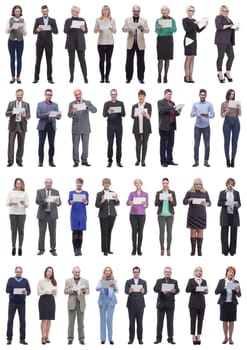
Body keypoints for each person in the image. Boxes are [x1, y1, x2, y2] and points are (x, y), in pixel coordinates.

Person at [68, 89, 97, 167]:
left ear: (81, 94)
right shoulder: (72, 103)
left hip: (85, 127)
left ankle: (84, 160)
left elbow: (95, 110)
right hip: (76, 128)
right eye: (76, 95)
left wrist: (87, 107)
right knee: (75, 146)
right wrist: (73, 111)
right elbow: (69, 115)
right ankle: (76, 161)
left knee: (85, 145)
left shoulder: (87, 102)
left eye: (78, 94)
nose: (77, 96)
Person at [183, 178, 211, 256]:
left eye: (199, 184)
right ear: (194, 185)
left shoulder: (205, 192)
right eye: (196, 184)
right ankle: (192, 250)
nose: (198, 186)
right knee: (192, 232)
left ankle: (199, 251)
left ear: (201, 185)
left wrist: (206, 204)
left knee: (200, 232)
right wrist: (188, 200)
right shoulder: (190, 192)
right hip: (192, 215)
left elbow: (210, 203)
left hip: (201, 215)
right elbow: (184, 202)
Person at [122, 5, 149, 83]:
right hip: (131, 42)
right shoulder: (127, 19)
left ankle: (141, 78)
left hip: (140, 43)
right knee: (129, 61)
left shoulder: (144, 20)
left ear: (139, 12)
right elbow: (123, 29)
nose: (136, 13)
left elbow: (147, 30)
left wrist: (142, 28)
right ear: (132, 11)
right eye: (134, 11)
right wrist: (129, 28)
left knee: (141, 61)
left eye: (137, 11)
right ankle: (128, 78)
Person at [153, 266, 180, 345]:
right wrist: (161, 290)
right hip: (161, 304)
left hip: (170, 304)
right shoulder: (159, 281)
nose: (167, 273)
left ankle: (170, 338)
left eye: (169, 272)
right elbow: (155, 288)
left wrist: (175, 291)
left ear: (171, 273)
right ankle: (158, 339)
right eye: (166, 272)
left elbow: (178, 290)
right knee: (159, 322)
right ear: (164, 273)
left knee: (170, 322)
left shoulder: (174, 281)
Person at [215, 266, 241, 345]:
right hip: (224, 304)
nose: (231, 273)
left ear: (234, 274)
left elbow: (239, 295)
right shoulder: (221, 281)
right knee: (224, 321)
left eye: (232, 272)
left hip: (232, 304)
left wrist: (237, 291)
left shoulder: (236, 282)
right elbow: (216, 292)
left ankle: (230, 338)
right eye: (229, 272)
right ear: (226, 273)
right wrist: (224, 288)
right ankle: (225, 337)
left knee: (232, 321)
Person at [32, 5, 58, 84]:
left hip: (49, 44)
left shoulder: (52, 20)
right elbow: (34, 32)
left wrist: (50, 28)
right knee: (38, 61)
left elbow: (56, 31)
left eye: (46, 11)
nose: (44, 12)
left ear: (48, 11)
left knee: (49, 61)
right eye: (43, 11)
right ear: (41, 12)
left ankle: (50, 78)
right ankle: (36, 78)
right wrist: (37, 30)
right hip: (39, 43)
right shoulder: (38, 20)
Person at [64, 266, 90, 345]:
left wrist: (85, 291)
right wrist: (73, 290)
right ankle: (70, 338)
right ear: (73, 272)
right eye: (75, 272)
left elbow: (88, 291)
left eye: (78, 272)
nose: (77, 273)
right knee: (71, 322)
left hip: (81, 303)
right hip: (72, 303)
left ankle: (81, 338)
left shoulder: (85, 281)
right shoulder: (68, 281)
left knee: (81, 322)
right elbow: (65, 291)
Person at [36, 178, 61, 256]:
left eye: (50, 182)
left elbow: (60, 203)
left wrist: (58, 202)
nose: (48, 184)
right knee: (42, 233)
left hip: (52, 215)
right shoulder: (40, 191)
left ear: (52, 183)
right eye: (47, 182)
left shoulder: (56, 191)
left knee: (53, 233)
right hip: (42, 215)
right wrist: (44, 200)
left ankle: (53, 249)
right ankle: (41, 249)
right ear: (44, 183)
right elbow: (37, 201)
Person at [36, 88, 61, 167]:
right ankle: (40, 161)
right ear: (45, 95)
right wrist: (47, 114)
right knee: (41, 144)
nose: (49, 96)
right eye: (48, 95)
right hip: (42, 127)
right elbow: (38, 115)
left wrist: (58, 116)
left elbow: (58, 117)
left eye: (50, 95)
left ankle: (51, 161)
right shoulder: (40, 104)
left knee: (51, 145)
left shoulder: (55, 105)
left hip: (51, 126)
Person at [5, 88, 31, 167]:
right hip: (13, 126)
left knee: (21, 144)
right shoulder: (11, 103)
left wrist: (25, 115)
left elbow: (29, 116)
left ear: (22, 95)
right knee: (10, 144)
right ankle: (10, 161)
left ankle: (19, 160)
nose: (19, 96)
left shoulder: (26, 104)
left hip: (22, 126)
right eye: (17, 95)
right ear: (16, 95)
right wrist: (13, 112)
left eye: (20, 95)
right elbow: (6, 113)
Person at [6, 266, 31, 345]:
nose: (18, 273)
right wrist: (16, 291)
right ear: (15, 272)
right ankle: (9, 338)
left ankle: (22, 339)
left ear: (22, 272)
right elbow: (7, 290)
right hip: (12, 303)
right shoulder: (11, 280)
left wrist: (26, 292)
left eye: (20, 272)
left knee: (22, 321)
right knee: (10, 320)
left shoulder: (25, 281)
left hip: (22, 303)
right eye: (17, 271)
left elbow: (29, 291)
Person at [182, 6, 207, 83]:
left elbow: (198, 30)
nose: (192, 12)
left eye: (193, 11)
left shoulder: (194, 20)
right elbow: (187, 30)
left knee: (192, 58)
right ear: (187, 11)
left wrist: (204, 26)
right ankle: (186, 76)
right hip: (188, 40)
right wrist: (194, 23)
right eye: (190, 10)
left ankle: (191, 76)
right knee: (188, 58)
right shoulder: (184, 20)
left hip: (194, 40)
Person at [190, 89, 215, 167]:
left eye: (204, 95)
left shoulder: (209, 104)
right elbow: (191, 114)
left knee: (207, 145)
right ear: (199, 95)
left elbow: (213, 114)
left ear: (206, 95)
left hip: (206, 127)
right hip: (197, 127)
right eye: (201, 95)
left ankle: (206, 161)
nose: (203, 96)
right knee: (196, 145)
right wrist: (196, 113)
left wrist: (207, 115)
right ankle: (196, 161)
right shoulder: (195, 104)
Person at [64, 5, 88, 83]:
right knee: (71, 61)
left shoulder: (82, 20)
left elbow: (86, 31)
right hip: (71, 43)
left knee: (82, 60)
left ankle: (85, 77)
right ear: (72, 12)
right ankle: (71, 77)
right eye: (74, 12)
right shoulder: (68, 20)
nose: (76, 13)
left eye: (77, 12)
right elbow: (65, 30)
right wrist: (70, 27)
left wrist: (83, 29)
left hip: (80, 43)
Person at [95, 178, 120, 256]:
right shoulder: (99, 194)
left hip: (112, 215)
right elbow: (96, 205)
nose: (107, 184)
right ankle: (104, 250)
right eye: (105, 183)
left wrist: (116, 199)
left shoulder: (112, 193)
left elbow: (117, 204)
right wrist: (102, 201)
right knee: (104, 232)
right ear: (103, 184)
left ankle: (108, 249)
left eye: (108, 183)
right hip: (103, 215)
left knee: (109, 232)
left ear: (110, 184)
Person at [158, 89, 182, 167]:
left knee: (171, 144)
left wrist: (178, 111)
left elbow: (175, 114)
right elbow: (161, 111)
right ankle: (163, 161)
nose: (170, 96)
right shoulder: (160, 102)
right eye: (168, 94)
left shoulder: (172, 103)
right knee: (163, 145)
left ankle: (169, 160)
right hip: (164, 127)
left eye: (171, 94)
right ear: (164, 94)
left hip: (172, 126)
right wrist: (171, 108)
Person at [215, 5, 239, 83]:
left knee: (231, 56)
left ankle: (227, 72)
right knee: (221, 56)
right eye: (224, 11)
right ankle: (220, 73)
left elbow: (230, 29)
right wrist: (230, 26)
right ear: (221, 11)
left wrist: (235, 28)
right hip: (221, 41)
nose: (226, 12)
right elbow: (219, 27)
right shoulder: (218, 17)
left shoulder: (229, 19)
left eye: (227, 11)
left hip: (229, 41)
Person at [217, 178, 241, 256]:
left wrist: (237, 204)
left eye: (232, 184)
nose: (230, 185)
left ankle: (232, 251)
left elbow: (239, 203)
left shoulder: (236, 193)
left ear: (233, 185)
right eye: (229, 184)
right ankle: (225, 251)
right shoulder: (222, 192)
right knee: (224, 234)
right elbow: (219, 203)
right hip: (225, 215)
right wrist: (227, 203)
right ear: (226, 184)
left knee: (234, 235)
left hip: (234, 215)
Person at [103, 89, 126, 167]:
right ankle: (110, 161)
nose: (113, 96)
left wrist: (119, 111)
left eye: (115, 94)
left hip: (119, 125)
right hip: (110, 125)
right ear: (110, 95)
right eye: (112, 94)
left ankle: (118, 161)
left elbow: (124, 114)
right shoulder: (107, 103)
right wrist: (109, 111)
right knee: (110, 143)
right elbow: (104, 115)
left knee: (119, 143)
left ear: (117, 95)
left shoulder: (120, 103)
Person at [125, 266, 147, 345]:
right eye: (135, 272)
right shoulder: (128, 281)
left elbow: (146, 292)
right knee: (131, 323)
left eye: (137, 272)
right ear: (133, 272)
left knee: (140, 323)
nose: (136, 273)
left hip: (140, 305)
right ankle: (131, 339)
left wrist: (143, 291)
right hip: (131, 305)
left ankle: (140, 339)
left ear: (139, 272)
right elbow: (125, 291)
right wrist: (129, 291)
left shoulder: (143, 281)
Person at [185, 266, 208, 345]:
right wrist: (196, 288)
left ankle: (198, 335)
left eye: (201, 271)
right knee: (193, 320)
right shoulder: (191, 280)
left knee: (201, 320)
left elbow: (205, 292)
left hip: (202, 303)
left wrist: (206, 291)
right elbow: (187, 290)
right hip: (193, 303)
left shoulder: (204, 281)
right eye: (198, 271)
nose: (199, 272)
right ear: (195, 272)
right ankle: (193, 336)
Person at [6, 178, 29, 256]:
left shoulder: (24, 193)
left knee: (21, 231)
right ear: (15, 184)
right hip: (13, 213)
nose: (18, 185)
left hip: (22, 214)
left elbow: (27, 205)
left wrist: (23, 204)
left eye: (20, 183)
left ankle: (20, 248)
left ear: (22, 184)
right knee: (13, 231)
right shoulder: (11, 193)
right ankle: (13, 247)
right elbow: (7, 203)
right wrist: (11, 203)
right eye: (17, 183)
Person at [154, 178, 177, 256]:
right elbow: (156, 204)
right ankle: (162, 249)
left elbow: (175, 204)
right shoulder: (158, 193)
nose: (165, 184)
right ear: (162, 184)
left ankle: (168, 249)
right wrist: (160, 199)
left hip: (170, 215)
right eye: (164, 183)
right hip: (161, 215)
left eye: (166, 183)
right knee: (161, 232)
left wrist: (172, 200)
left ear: (168, 184)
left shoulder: (172, 192)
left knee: (169, 232)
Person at [94, 5, 116, 83]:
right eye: (104, 10)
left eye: (107, 10)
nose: (105, 11)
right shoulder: (98, 20)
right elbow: (95, 31)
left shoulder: (112, 20)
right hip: (101, 42)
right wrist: (99, 29)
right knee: (102, 60)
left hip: (110, 42)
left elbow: (115, 31)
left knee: (109, 60)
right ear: (102, 11)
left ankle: (107, 77)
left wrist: (111, 29)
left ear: (109, 11)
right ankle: (102, 77)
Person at [96, 266, 118, 344]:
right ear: (104, 272)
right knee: (102, 319)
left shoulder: (114, 280)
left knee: (109, 319)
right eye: (106, 271)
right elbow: (97, 288)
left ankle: (110, 338)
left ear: (111, 272)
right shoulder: (101, 280)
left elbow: (117, 290)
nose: (107, 272)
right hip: (103, 300)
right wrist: (103, 284)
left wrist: (114, 286)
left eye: (109, 271)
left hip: (111, 300)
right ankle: (102, 339)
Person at [155, 5, 177, 83]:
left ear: (168, 11)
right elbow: (156, 32)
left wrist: (169, 26)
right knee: (160, 59)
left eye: (166, 10)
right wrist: (158, 28)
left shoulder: (172, 20)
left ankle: (166, 76)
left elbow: (174, 30)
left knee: (167, 59)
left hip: (169, 39)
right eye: (163, 10)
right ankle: (159, 75)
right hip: (161, 39)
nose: (164, 11)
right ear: (161, 12)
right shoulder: (158, 20)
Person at [126, 179, 148, 256]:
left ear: (141, 184)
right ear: (134, 184)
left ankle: (139, 248)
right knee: (134, 231)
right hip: (133, 215)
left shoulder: (145, 194)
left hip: (142, 214)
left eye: (139, 183)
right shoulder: (132, 193)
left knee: (140, 232)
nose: (137, 184)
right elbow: (127, 203)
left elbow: (146, 206)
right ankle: (134, 248)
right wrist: (130, 202)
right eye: (136, 183)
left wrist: (145, 204)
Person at [68, 178, 89, 256]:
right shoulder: (71, 192)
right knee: (75, 231)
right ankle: (75, 250)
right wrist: (71, 201)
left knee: (80, 232)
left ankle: (79, 249)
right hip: (74, 214)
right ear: (76, 183)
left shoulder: (85, 193)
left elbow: (87, 202)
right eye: (78, 183)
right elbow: (69, 202)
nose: (79, 184)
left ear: (82, 184)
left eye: (80, 183)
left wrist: (85, 201)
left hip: (82, 213)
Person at [6, 5, 26, 83]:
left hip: (20, 42)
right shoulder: (10, 19)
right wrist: (11, 28)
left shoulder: (23, 20)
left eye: (19, 11)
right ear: (14, 12)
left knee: (19, 59)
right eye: (16, 11)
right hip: (11, 41)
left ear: (20, 12)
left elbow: (25, 34)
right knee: (12, 59)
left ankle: (18, 77)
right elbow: (6, 31)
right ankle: (12, 77)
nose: (17, 12)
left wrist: (21, 30)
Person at [131, 89, 152, 166]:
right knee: (138, 144)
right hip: (137, 127)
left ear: (144, 97)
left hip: (146, 127)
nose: (141, 98)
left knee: (145, 144)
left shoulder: (148, 105)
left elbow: (150, 117)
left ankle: (143, 160)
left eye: (142, 96)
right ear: (138, 97)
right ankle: (138, 160)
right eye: (140, 96)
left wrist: (146, 114)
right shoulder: (134, 106)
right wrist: (135, 114)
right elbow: (132, 116)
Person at [221, 89, 241, 167]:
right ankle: (227, 159)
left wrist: (239, 108)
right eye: (230, 94)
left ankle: (233, 159)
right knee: (227, 142)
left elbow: (239, 114)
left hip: (236, 121)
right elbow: (222, 115)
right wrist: (227, 111)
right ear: (228, 94)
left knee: (235, 142)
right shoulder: (224, 103)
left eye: (233, 94)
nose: (231, 96)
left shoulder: (236, 103)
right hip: (227, 122)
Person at [37, 266, 57, 344]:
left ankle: (47, 336)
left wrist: (54, 292)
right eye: (48, 271)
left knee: (49, 319)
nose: (49, 273)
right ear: (45, 272)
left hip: (51, 300)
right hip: (43, 300)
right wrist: (46, 290)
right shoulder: (41, 281)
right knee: (44, 319)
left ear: (52, 273)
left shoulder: (54, 281)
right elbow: (39, 292)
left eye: (51, 272)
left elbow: (55, 293)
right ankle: (43, 337)